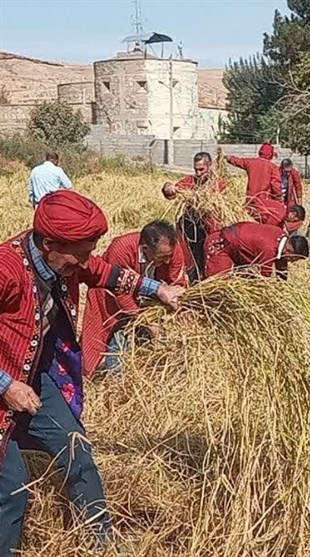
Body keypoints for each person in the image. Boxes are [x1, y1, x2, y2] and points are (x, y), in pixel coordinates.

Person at [0, 191, 183, 554]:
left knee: (76, 448)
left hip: (32, 377)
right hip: (6, 382)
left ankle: (101, 542)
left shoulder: (67, 260)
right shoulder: (6, 269)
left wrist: (159, 288)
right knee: (12, 487)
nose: (85, 261)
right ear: (49, 242)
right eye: (79, 253)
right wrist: (5, 384)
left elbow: (106, 272)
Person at [81, 220, 187, 378]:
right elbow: (120, 291)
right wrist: (146, 320)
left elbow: (177, 281)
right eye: (161, 257)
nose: (166, 261)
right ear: (145, 249)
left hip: (151, 297)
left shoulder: (173, 249)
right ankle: (115, 380)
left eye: (168, 256)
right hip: (111, 297)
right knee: (117, 335)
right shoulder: (121, 249)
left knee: (144, 340)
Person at [162, 152, 228, 283]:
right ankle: (192, 280)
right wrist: (168, 187)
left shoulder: (219, 184)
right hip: (190, 227)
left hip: (209, 227)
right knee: (189, 257)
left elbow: (222, 206)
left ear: (209, 166)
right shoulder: (190, 181)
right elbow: (170, 191)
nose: (198, 173)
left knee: (208, 256)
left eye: (201, 170)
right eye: (195, 170)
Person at [205, 222, 309, 281]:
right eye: (293, 259)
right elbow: (263, 280)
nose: (291, 262)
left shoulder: (281, 234)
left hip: (235, 248)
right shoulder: (269, 250)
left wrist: (283, 283)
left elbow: (281, 264)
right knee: (218, 283)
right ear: (290, 250)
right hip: (219, 246)